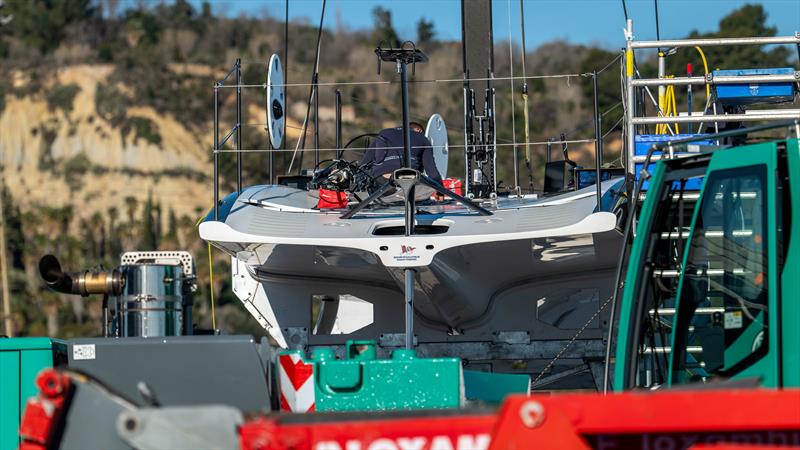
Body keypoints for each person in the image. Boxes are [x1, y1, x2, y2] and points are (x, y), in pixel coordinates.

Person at [359, 122, 443, 185]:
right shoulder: (422, 138)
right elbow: (432, 171)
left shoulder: (383, 133)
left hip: (382, 181)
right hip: (410, 180)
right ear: (419, 130)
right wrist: (440, 191)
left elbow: (364, 164)